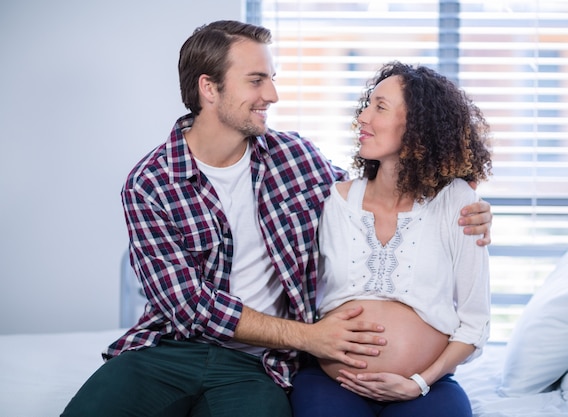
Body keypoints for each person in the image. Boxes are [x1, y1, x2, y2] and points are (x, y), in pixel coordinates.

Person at [62, 21, 492, 417]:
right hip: (170, 349)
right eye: (256, 80)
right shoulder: (150, 183)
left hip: (258, 366)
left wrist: (469, 208)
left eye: (272, 78)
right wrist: (308, 337)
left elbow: (378, 196)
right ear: (209, 89)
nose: (272, 95)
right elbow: (189, 305)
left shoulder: (295, 158)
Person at [290, 62, 492, 417]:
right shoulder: (334, 201)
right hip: (333, 381)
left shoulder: (458, 202)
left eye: (379, 107)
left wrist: (419, 382)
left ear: (417, 128)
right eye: (367, 104)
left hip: (427, 387)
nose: (363, 118)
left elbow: (475, 323)